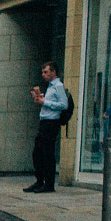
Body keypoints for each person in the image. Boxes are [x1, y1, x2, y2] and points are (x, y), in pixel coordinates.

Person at [27, 61, 70, 192]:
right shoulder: (50, 87)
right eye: (43, 72)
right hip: (44, 121)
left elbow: (64, 104)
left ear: (53, 72)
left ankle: (49, 184)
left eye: (46, 72)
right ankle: (40, 180)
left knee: (47, 153)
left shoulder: (58, 86)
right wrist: (41, 99)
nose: (43, 75)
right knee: (38, 153)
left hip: (51, 123)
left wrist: (45, 101)